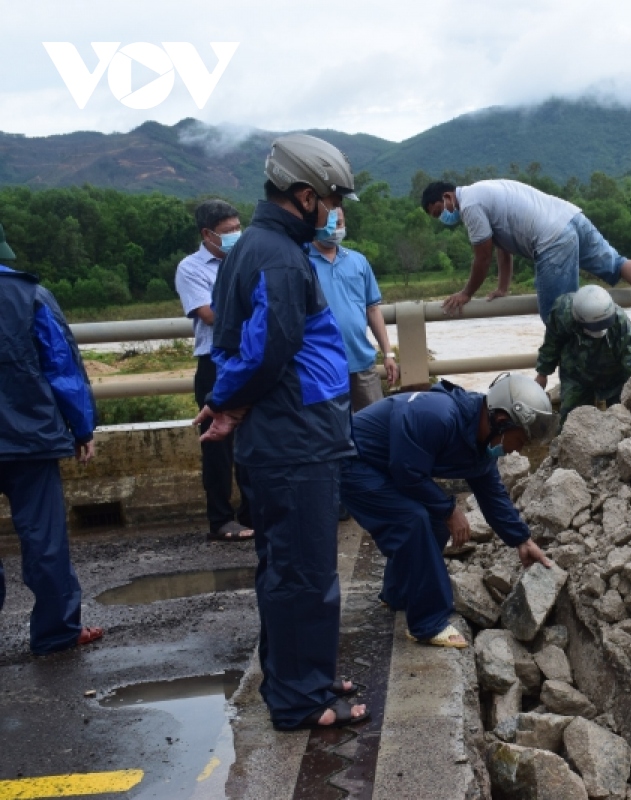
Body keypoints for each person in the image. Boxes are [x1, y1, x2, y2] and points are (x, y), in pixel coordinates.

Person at [194, 134, 368, 731]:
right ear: (304, 196)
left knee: (288, 567)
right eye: (331, 198)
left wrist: (227, 402)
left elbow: (249, 346)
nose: (336, 211)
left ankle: (303, 675)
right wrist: (228, 402)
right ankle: (300, 699)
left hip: (290, 433)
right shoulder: (277, 255)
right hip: (295, 438)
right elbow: (268, 349)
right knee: (304, 573)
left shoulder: (263, 247)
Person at [341, 373, 555, 648]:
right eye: (520, 441)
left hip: (388, 465)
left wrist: (521, 540)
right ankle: (428, 624)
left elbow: (493, 495)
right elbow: (407, 471)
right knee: (412, 520)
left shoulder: (479, 443)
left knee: (433, 521)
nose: (516, 451)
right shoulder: (439, 417)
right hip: (351, 461)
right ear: (501, 421)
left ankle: (398, 593)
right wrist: (449, 509)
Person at [0, 221, 104, 655]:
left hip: (28, 436)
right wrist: (81, 428)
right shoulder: (29, 296)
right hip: (29, 438)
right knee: (42, 538)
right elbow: (62, 368)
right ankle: (56, 631)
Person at [421, 179, 631, 324]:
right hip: (571, 217)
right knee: (617, 263)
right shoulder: (485, 190)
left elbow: (482, 256)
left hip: (552, 239)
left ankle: (581, 380)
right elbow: (503, 249)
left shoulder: (469, 205)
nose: (444, 217)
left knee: (558, 318)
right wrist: (503, 288)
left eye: (439, 211)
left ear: (447, 196)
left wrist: (467, 293)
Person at [175, 199, 254, 542]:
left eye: (238, 228)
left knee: (253, 440)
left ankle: (253, 513)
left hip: (249, 359)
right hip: (216, 362)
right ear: (207, 234)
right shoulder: (191, 268)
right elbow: (208, 315)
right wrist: (256, 321)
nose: (236, 235)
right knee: (217, 445)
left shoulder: (250, 259)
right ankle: (220, 519)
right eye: (228, 232)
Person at [308, 206, 397, 411]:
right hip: (321, 366)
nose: (335, 229)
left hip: (361, 361)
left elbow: (372, 309)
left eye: (339, 223)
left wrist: (388, 353)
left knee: (375, 422)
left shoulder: (358, 261)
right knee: (331, 430)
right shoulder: (301, 261)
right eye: (329, 224)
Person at [535, 284, 631, 422]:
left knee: (624, 420)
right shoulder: (562, 312)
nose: (599, 331)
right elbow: (552, 344)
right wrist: (542, 373)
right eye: (595, 327)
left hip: (614, 375)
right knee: (571, 422)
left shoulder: (621, 324)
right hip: (576, 372)